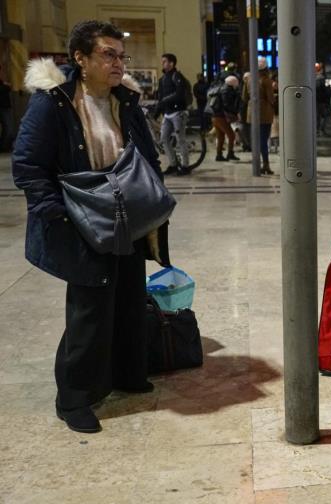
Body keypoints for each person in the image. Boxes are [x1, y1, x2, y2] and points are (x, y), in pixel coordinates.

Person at [12, 20, 169, 433]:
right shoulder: (55, 102)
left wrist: (153, 197)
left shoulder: (126, 100)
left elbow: (146, 157)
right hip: (80, 216)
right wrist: (57, 216)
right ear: (80, 59)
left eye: (121, 55)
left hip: (126, 216)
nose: (118, 63)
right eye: (108, 54)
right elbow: (28, 167)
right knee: (90, 310)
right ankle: (74, 398)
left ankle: (126, 376)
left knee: (130, 298)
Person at [157, 52, 191, 175]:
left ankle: (185, 166)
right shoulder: (162, 79)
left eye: (165, 61)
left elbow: (179, 93)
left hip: (178, 113)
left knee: (180, 140)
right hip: (167, 113)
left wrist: (165, 100)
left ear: (171, 63)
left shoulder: (177, 76)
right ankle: (173, 164)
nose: (163, 64)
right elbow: (160, 97)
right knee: (164, 139)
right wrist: (158, 110)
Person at [242, 58, 276, 175]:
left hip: (252, 113)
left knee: (256, 139)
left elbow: (244, 97)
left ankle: (257, 164)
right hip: (265, 113)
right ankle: (265, 164)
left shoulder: (249, 79)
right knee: (263, 139)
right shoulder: (266, 80)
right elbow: (271, 98)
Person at [211, 74, 241, 161]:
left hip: (215, 116)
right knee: (231, 135)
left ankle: (219, 155)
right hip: (221, 116)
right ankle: (230, 153)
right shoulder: (227, 90)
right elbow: (226, 104)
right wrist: (235, 112)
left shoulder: (221, 88)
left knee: (220, 136)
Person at [0, 65, 12, 152]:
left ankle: (3, 146)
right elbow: (6, 88)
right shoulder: (2, 83)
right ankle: (3, 146)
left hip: (4, 106)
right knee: (8, 128)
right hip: (3, 106)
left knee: (8, 128)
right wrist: (6, 86)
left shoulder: (1, 81)